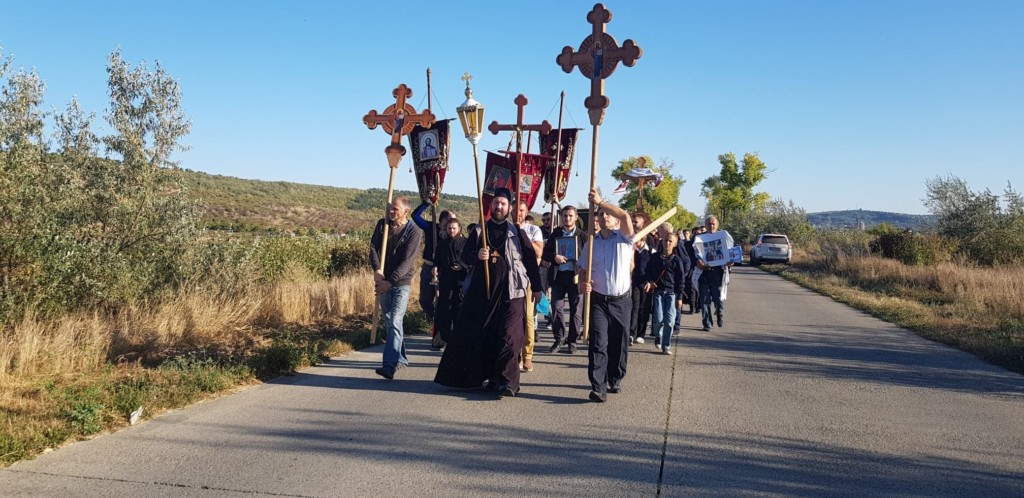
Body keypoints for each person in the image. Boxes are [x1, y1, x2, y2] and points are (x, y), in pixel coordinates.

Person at [434, 188, 542, 398]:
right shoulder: (479, 231)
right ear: (491, 206)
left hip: (512, 292)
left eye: (503, 204)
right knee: (487, 335)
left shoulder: (516, 232)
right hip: (484, 293)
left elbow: (530, 260)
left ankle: (509, 382)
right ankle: (492, 378)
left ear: (509, 207)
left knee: (510, 336)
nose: (498, 207)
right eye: (496, 203)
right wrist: (477, 255)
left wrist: (537, 288)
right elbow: (464, 257)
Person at [578, 189, 635, 403]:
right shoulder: (591, 243)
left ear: (615, 218)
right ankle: (598, 387)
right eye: (600, 214)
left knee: (618, 342)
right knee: (598, 343)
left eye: (608, 214)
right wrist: (583, 283)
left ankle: (615, 377)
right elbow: (582, 268)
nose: (604, 217)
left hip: (622, 300)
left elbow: (625, 216)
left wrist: (600, 202)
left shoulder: (625, 238)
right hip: (599, 301)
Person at [369, 196, 423, 380]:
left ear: (406, 211)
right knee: (390, 322)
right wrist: (377, 269)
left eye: (396, 209)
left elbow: (407, 262)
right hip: (383, 278)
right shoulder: (382, 225)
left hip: (401, 283)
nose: (391, 211)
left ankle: (389, 365)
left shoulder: (414, 231)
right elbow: (373, 248)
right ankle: (400, 357)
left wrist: (390, 282)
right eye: (391, 208)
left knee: (395, 321)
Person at [542, 205, 586, 354]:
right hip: (559, 276)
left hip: (576, 277)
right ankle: (559, 338)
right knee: (556, 307)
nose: (567, 218)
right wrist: (554, 257)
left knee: (576, 310)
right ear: (561, 217)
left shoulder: (582, 236)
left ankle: (572, 341)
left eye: (570, 216)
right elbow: (545, 254)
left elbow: (589, 256)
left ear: (576, 217)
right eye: (565, 216)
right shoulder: (555, 234)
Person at [411, 202, 455, 348]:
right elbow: (415, 216)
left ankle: (443, 332)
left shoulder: (452, 233)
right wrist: (427, 203)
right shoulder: (431, 227)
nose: (453, 224)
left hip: (445, 271)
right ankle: (437, 320)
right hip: (428, 268)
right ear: (443, 220)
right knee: (425, 301)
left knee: (445, 302)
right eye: (450, 220)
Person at [643, 233, 685, 354]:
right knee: (658, 318)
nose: (667, 243)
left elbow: (681, 280)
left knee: (670, 321)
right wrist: (650, 281)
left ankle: (666, 346)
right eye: (666, 240)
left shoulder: (677, 260)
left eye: (670, 241)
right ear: (662, 241)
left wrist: (680, 297)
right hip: (658, 292)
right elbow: (647, 272)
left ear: (675, 244)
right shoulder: (654, 257)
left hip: (671, 294)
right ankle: (658, 335)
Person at [516, 202, 544, 373]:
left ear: (526, 212)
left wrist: (522, 234)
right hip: (511, 278)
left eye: (521, 210)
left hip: (528, 278)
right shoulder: (507, 228)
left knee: (527, 317)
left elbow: (539, 252)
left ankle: (527, 355)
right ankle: (515, 354)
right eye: (515, 209)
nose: (517, 212)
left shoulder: (534, 230)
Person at [694, 215, 734, 331]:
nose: (711, 226)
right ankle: (707, 323)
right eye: (709, 224)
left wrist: (730, 262)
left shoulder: (723, 237)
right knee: (704, 299)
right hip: (704, 272)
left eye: (713, 224)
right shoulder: (699, 238)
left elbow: (731, 252)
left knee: (718, 297)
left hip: (718, 272)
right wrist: (697, 262)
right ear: (705, 225)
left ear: (717, 225)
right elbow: (692, 254)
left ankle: (719, 312)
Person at [434, 218, 467, 347]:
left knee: (459, 310)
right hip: (446, 282)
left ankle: (459, 339)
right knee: (444, 310)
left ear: (459, 229)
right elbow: (437, 261)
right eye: (449, 228)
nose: (452, 231)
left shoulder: (466, 243)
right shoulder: (442, 244)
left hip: (461, 282)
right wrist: (435, 269)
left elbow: (471, 260)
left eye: (454, 228)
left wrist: (462, 266)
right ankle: (445, 338)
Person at [629, 212, 654, 345]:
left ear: (643, 238)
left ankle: (641, 333)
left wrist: (650, 281)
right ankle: (631, 333)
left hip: (646, 283)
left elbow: (653, 268)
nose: (636, 243)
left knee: (644, 308)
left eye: (638, 240)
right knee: (634, 307)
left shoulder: (650, 251)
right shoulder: (631, 251)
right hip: (634, 282)